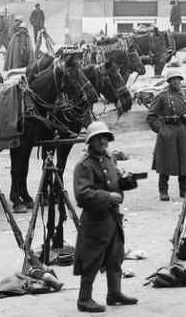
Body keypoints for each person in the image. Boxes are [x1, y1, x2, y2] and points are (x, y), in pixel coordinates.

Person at [73, 121, 138, 313]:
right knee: (91, 259)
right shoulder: (84, 165)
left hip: (113, 217)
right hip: (95, 220)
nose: (102, 141)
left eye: (105, 138)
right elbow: (82, 194)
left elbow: (114, 181)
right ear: (90, 142)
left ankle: (114, 293)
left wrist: (127, 181)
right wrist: (107, 197)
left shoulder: (110, 159)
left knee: (115, 256)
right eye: (97, 139)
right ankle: (84, 299)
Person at [146, 70, 186, 201]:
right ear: (169, 81)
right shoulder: (163, 96)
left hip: (184, 131)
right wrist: (161, 130)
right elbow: (151, 116)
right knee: (165, 162)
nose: (176, 82)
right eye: (173, 79)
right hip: (168, 132)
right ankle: (163, 191)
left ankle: (184, 189)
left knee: (184, 160)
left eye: (178, 79)